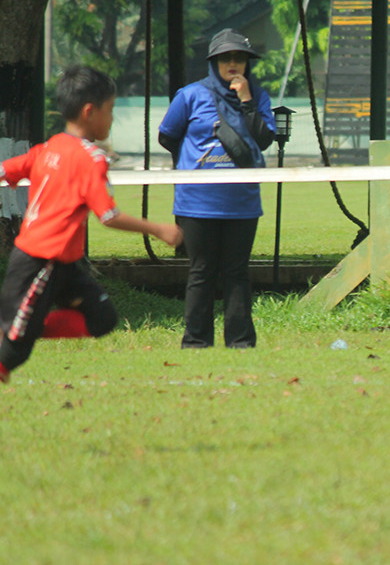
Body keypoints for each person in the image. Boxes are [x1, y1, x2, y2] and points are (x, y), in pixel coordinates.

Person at [0, 66, 182, 382]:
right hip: (39, 261)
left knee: (102, 318)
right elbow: (108, 216)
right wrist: (158, 229)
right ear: (89, 112)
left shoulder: (50, 146)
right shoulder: (91, 159)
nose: (112, 119)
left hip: (65, 265)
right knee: (13, 353)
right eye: (110, 110)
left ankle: (30, 326)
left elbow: (8, 169)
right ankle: (23, 333)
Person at [158, 28, 276, 349]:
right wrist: (193, 164)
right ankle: (196, 342)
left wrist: (247, 101)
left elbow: (264, 140)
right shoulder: (190, 95)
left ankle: (240, 343)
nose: (233, 64)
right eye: (226, 58)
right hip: (196, 202)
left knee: (237, 272)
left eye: (239, 58)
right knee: (201, 272)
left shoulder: (259, 96)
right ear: (214, 62)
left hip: (243, 202)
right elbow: (168, 135)